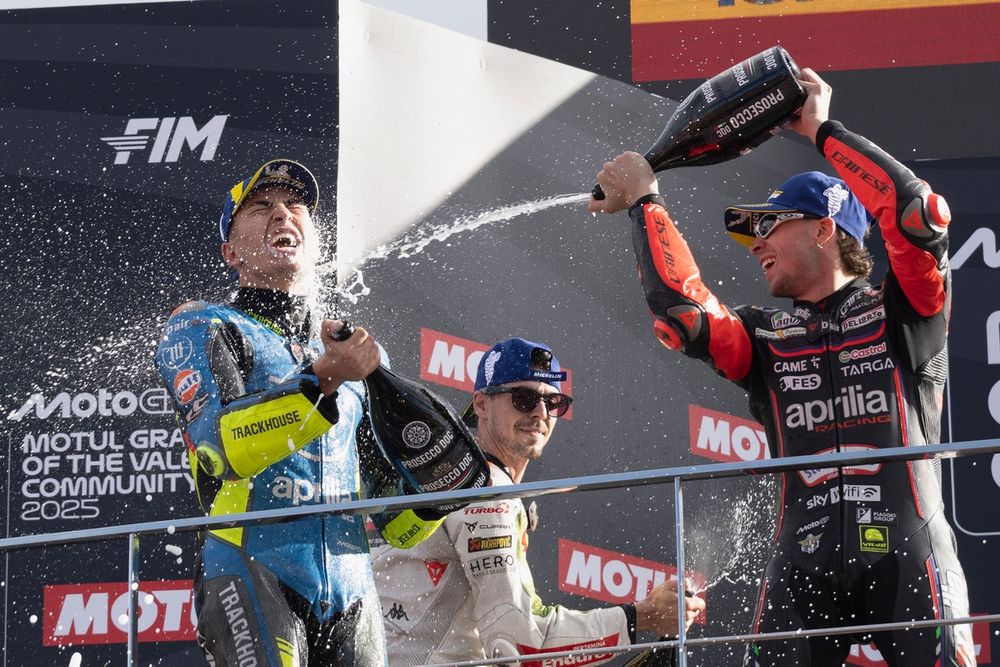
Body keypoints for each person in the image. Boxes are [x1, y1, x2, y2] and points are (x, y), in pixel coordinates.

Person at [589, 69, 975, 667]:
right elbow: (683, 312)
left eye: (770, 224)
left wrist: (820, 129)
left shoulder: (907, 311)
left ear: (825, 229)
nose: (757, 242)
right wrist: (647, 202)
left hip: (910, 555)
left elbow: (917, 213)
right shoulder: (764, 336)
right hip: (803, 563)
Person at [156, 159, 448, 666]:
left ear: (315, 242)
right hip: (248, 565)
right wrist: (324, 379)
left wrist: (441, 493)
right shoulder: (206, 326)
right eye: (261, 207)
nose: (282, 215)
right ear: (230, 251)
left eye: (295, 207)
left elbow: (392, 520)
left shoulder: (356, 353)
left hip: (353, 584)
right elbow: (220, 450)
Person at [371, 337, 705, 665]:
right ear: (481, 404)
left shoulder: (462, 475)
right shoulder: (488, 494)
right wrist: (641, 616)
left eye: (553, 402)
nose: (540, 413)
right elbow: (521, 645)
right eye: (523, 398)